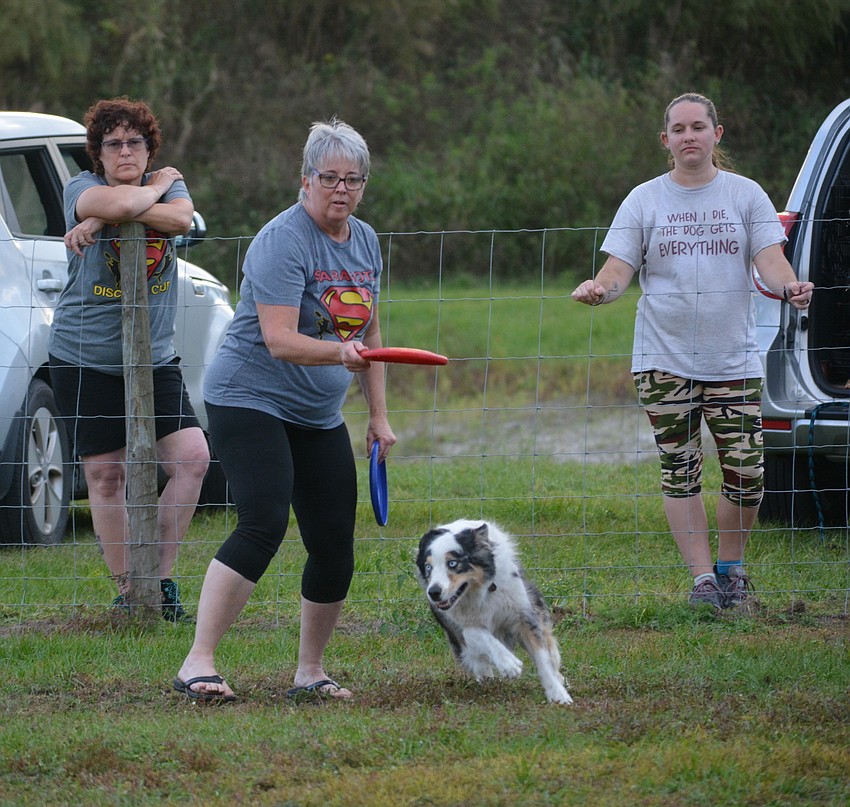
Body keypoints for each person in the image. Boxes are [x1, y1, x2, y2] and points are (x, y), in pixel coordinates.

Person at [174, 118, 396, 701]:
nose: (342, 190)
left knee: (333, 540)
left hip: (317, 412)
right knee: (264, 520)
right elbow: (278, 339)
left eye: (353, 180)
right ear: (305, 180)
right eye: (330, 178)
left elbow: (370, 331)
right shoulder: (284, 239)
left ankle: (310, 673)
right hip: (248, 396)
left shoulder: (367, 240)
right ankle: (198, 662)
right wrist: (338, 352)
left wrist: (377, 416)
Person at [572, 92, 813, 610]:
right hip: (663, 359)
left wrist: (791, 287)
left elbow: (770, 261)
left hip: (733, 360)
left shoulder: (745, 196)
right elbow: (618, 272)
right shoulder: (644, 200)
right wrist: (598, 289)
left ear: (716, 134)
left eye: (698, 127)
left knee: (747, 472)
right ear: (666, 141)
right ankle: (704, 581)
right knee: (679, 469)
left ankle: (732, 570)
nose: (689, 137)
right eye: (678, 129)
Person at [48, 97, 209, 622]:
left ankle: (159, 581)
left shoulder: (172, 187)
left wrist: (111, 216)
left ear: (148, 146)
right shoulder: (80, 187)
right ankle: (127, 590)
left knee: (191, 458)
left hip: (154, 358)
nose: (124, 151)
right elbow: (118, 207)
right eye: (112, 143)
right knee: (105, 475)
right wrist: (143, 194)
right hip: (83, 356)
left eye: (133, 142)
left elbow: (181, 219)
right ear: (97, 152)